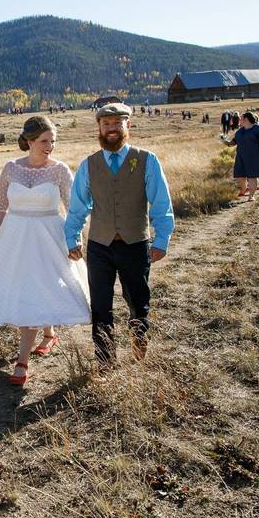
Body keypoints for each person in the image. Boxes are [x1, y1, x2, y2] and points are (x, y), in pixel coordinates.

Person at [0, 116, 91, 385]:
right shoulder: (11, 168)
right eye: (44, 141)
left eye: (53, 141)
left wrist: (76, 240)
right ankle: (48, 335)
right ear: (29, 141)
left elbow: (74, 210)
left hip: (49, 238)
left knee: (38, 289)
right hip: (15, 239)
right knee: (29, 290)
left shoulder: (59, 170)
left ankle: (22, 361)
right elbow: (1, 206)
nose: (50, 146)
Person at [64, 103, 174, 367]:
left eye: (117, 123)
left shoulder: (147, 159)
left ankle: (139, 353)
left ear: (128, 125)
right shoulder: (88, 165)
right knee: (100, 307)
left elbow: (161, 203)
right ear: (99, 128)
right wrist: (72, 237)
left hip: (135, 245)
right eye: (106, 124)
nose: (111, 129)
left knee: (138, 303)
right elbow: (78, 206)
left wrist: (161, 239)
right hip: (99, 247)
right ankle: (105, 362)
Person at [223, 111, 259, 201]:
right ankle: (244, 189)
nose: (239, 119)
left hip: (254, 155)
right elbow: (234, 142)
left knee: (252, 176)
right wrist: (226, 142)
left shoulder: (257, 128)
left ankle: (251, 195)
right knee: (239, 176)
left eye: (241, 117)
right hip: (241, 156)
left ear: (246, 119)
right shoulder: (240, 130)